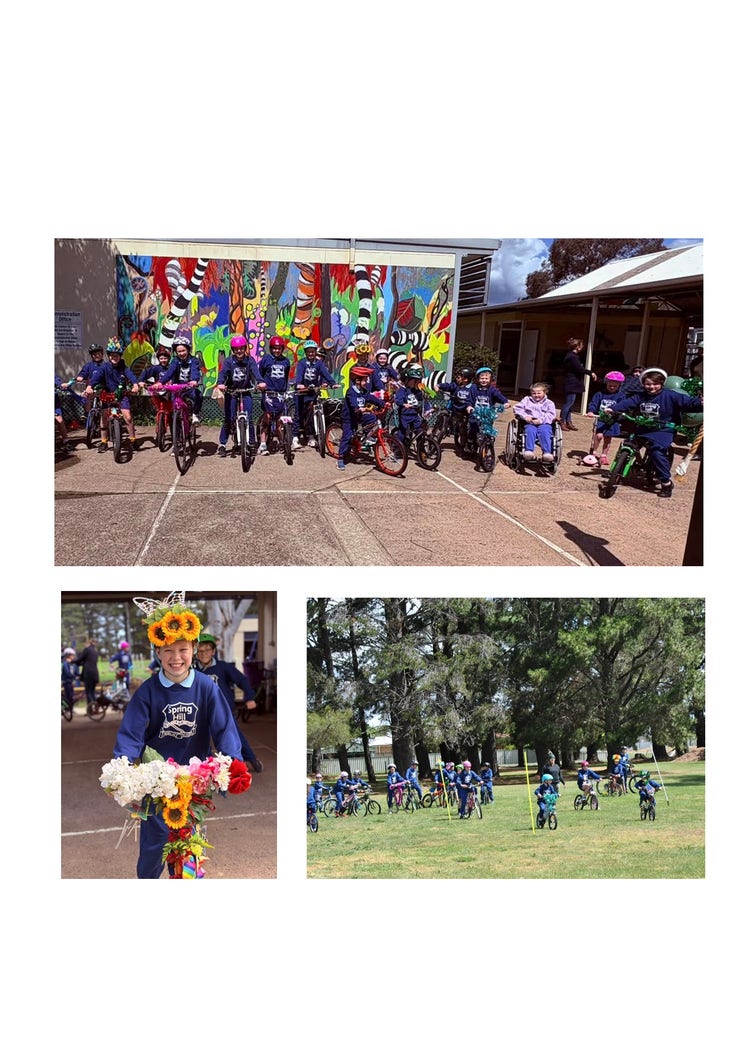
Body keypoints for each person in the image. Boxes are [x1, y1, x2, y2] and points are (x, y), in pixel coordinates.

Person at [111, 594, 244, 879]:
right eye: (168, 650)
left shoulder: (207, 688)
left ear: (194, 649)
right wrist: (122, 768)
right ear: (157, 652)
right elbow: (131, 735)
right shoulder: (147, 692)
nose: (176, 657)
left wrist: (233, 762)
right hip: (156, 783)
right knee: (154, 844)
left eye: (183, 649)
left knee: (189, 843)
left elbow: (224, 728)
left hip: (194, 781)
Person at [609, 366, 704, 498]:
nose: (651, 387)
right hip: (643, 427)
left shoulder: (670, 395)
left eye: (655, 384)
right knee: (628, 443)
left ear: (662, 383)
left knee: (656, 451)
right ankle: (617, 470)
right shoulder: (640, 396)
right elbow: (627, 403)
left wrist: (700, 403)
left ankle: (666, 483)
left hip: (663, 430)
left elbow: (688, 403)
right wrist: (613, 408)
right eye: (648, 384)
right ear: (643, 384)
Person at [193, 632, 264, 771]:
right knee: (199, 738)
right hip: (201, 711)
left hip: (223, 710)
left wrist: (249, 697)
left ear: (213, 651)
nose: (203, 654)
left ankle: (250, 759)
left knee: (233, 737)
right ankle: (202, 769)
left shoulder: (223, 667)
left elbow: (242, 680)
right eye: (199, 651)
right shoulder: (193, 670)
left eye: (207, 650)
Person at [85, 337, 140, 452]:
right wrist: (90, 386)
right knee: (104, 417)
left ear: (120, 356)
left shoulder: (123, 367)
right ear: (109, 356)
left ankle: (133, 440)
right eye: (112, 356)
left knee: (128, 417)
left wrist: (135, 384)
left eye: (117, 355)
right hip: (107, 395)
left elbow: (130, 375)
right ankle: (104, 442)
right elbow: (96, 377)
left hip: (121, 394)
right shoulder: (104, 367)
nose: (114, 358)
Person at [215, 334, 262, 457]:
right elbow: (223, 374)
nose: (239, 351)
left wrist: (260, 382)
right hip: (232, 392)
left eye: (241, 348)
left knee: (249, 418)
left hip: (246, 391)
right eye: (236, 349)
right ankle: (222, 444)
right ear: (233, 350)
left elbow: (255, 372)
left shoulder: (249, 360)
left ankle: (251, 443)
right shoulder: (229, 361)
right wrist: (220, 383)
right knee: (229, 418)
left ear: (244, 348)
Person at [337, 365, 385, 470]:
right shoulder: (351, 391)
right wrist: (358, 408)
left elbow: (371, 398)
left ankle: (369, 437)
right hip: (349, 417)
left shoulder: (364, 391)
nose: (367, 382)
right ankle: (340, 457)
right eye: (365, 379)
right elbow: (352, 401)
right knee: (347, 436)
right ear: (357, 380)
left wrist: (383, 404)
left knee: (372, 418)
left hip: (359, 415)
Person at [293, 339, 336, 449]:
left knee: (311, 414)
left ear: (315, 352)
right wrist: (299, 384)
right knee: (299, 415)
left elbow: (325, 373)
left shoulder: (318, 363)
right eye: (309, 352)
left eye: (312, 351)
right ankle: (295, 437)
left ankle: (311, 436)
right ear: (306, 352)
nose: (311, 354)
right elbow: (299, 375)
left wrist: (332, 383)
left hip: (312, 392)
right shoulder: (302, 363)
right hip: (301, 392)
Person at [465, 366, 509, 463]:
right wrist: (469, 406)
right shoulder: (473, 388)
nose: (484, 380)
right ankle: (471, 440)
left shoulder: (492, 390)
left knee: (488, 431)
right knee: (473, 426)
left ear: (490, 379)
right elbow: (469, 399)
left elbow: (499, 396)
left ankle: (488, 447)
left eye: (486, 378)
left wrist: (505, 402)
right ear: (478, 379)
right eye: (481, 378)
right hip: (476, 413)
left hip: (488, 414)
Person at [158, 334, 204, 424]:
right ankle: (175, 430)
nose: (181, 353)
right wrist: (160, 382)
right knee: (173, 409)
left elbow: (195, 371)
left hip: (189, 387)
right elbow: (169, 372)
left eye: (183, 350)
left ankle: (195, 414)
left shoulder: (194, 360)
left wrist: (194, 380)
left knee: (199, 395)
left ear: (188, 349)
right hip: (177, 388)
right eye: (179, 351)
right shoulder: (175, 361)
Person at [584, 371, 624, 465]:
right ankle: (593, 453)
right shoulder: (600, 394)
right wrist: (591, 411)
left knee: (608, 438)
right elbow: (594, 403)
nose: (612, 388)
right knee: (598, 436)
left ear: (619, 385)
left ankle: (604, 455)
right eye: (610, 385)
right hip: (601, 418)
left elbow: (623, 406)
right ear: (606, 383)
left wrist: (618, 414)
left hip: (613, 420)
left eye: (615, 386)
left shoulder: (621, 396)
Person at [513, 381, 558, 462]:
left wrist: (541, 420)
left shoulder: (549, 403)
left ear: (544, 393)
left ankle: (547, 453)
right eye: (534, 393)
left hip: (544, 423)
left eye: (539, 393)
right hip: (530, 422)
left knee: (545, 431)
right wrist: (525, 416)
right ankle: (529, 451)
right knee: (530, 430)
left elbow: (551, 414)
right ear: (531, 393)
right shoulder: (527, 400)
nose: (536, 395)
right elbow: (517, 408)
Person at [560, 337, 597, 430]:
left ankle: (568, 422)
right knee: (568, 403)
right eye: (581, 345)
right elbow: (579, 369)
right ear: (577, 347)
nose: (582, 347)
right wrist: (590, 373)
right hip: (571, 382)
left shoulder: (571, 356)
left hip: (572, 382)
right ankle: (562, 421)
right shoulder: (572, 357)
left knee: (570, 403)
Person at [392, 364, 432, 445]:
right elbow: (397, 400)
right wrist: (403, 404)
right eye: (414, 381)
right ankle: (396, 447)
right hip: (405, 415)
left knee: (419, 431)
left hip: (415, 415)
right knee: (402, 433)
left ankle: (420, 449)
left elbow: (423, 400)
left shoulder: (416, 391)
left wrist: (429, 408)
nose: (416, 383)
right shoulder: (402, 390)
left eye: (417, 381)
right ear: (407, 380)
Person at [75, 639, 100, 711]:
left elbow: (80, 659)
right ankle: (96, 708)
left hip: (88, 674)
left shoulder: (87, 650)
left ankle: (91, 709)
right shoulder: (95, 651)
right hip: (95, 674)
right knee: (92, 691)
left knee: (88, 692)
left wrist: (72, 661)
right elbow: (86, 661)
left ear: (88, 643)